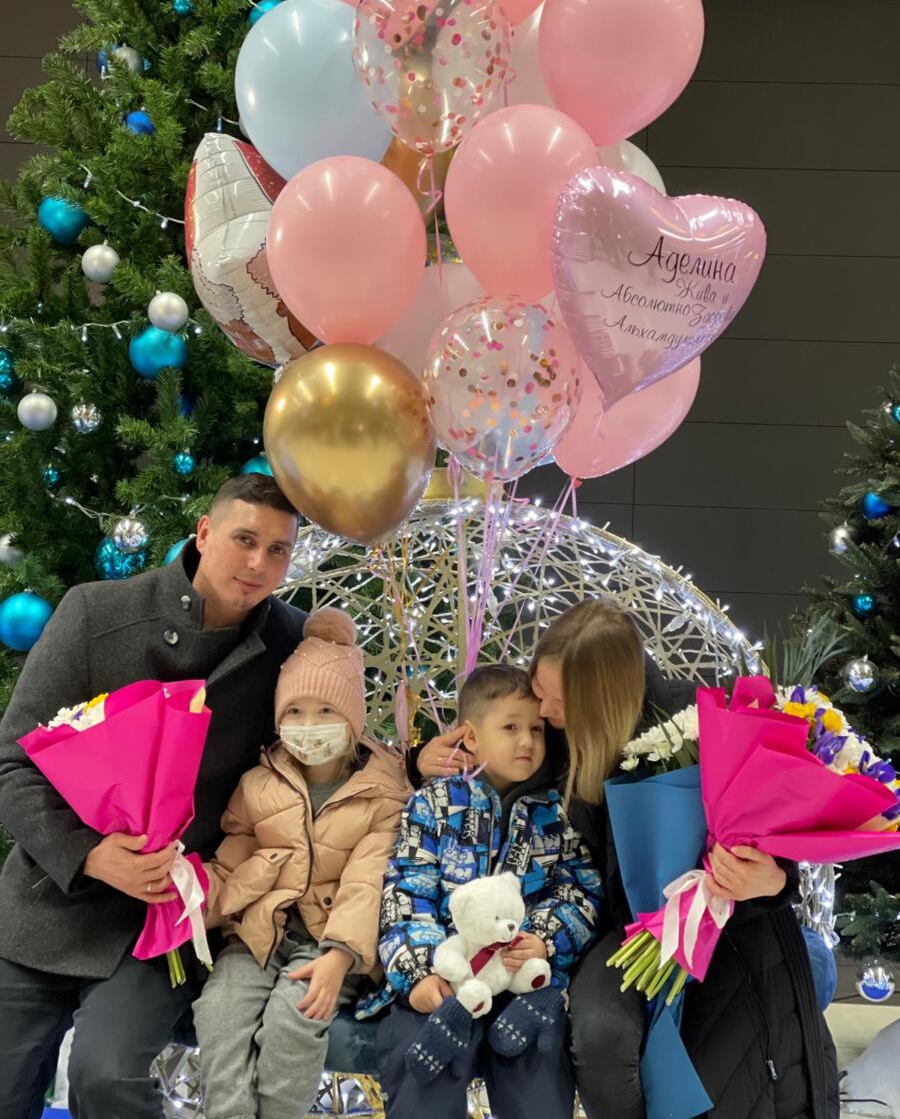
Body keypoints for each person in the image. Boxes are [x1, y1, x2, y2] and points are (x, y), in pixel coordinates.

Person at [0, 473, 305, 1119]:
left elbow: (328, 756)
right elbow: (11, 762)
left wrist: (416, 759)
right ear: (204, 533)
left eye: (278, 550)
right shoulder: (95, 612)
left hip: (165, 922)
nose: (258, 563)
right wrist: (88, 855)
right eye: (244, 539)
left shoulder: (292, 644)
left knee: (106, 1077)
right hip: (48, 902)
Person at [528, 598, 840, 1119]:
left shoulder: (697, 723)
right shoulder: (552, 737)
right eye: (539, 692)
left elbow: (774, 830)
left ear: (602, 700)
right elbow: (503, 781)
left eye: (556, 701)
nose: (543, 711)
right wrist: (421, 763)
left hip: (722, 918)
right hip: (616, 929)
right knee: (602, 1032)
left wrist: (772, 880)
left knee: (757, 1027)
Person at [193, 607, 410, 1119]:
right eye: (294, 711)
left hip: (331, 942)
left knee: (293, 1022)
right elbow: (233, 857)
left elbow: (368, 882)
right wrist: (197, 900)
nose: (308, 726)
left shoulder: (383, 792)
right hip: (258, 934)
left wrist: (340, 955)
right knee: (219, 1012)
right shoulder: (258, 783)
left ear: (352, 718)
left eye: (325, 710)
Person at [369, 664, 603, 1119]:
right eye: (511, 728)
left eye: (536, 729)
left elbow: (580, 889)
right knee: (422, 1071)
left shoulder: (555, 811)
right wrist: (420, 974)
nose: (527, 741)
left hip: (522, 982)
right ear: (471, 737)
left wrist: (545, 939)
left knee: (538, 1075)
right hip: (446, 972)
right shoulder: (434, 804)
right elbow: (406, 891)